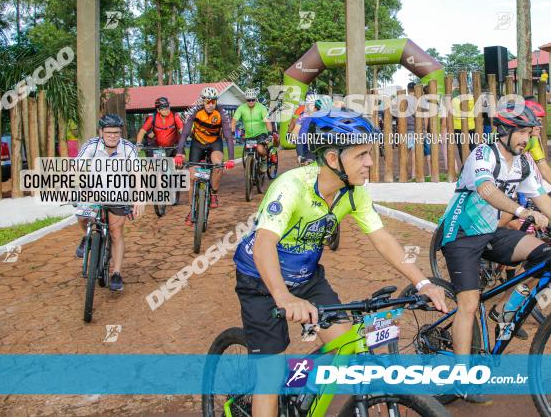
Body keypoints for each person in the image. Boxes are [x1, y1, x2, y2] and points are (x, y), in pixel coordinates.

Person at [232, 109, 448, 417]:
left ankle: (299, 392)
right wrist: (283, 296)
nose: (370, 163)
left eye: (369, 154)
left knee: (346, 345)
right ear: (333, 159)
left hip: (306, 278)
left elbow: (382, 237)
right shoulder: (292, 185)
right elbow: (264, 244)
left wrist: (422, 282)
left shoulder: (354, 192)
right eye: (361, 155)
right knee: (269, 374)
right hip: (261, 280)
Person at [438, 104, 551, 403]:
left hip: (492, 232)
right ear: (506, 131)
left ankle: (505, 310)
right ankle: (462, 380)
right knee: (469, 304)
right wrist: (522, 211)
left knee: (547, 257)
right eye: (522, 132)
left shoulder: (522, 163)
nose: (527, 139)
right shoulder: (483, 155)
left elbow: (544, 202)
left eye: (529, 133)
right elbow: (486, 190)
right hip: (460, 235)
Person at [74, 114, 145, 292]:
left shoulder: (128, 148)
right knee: (82, 215)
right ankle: (86, 236)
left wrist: (139, 197)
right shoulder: (91, 145)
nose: (112, 136)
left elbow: (137, 174)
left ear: (121, 133)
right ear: (101, 132)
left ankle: (117, 273)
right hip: (94, 191)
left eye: (116, 132)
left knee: (116, 232)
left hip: (119, 194)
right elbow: (76, 168)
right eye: (108, 132)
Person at [174, 87, 235, 218]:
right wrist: (179, 153)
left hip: (214, 143)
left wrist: (231, 158)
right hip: (198, 144)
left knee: (218, 165)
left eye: (213, 102)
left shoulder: (221, 112)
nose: (211, 105)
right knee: (192, 177)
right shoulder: (195, 111)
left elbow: (228, 136)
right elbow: (184, 134)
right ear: (202, 101)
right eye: (208, 102)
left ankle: (213, 193)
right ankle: (192, 210)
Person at [232, 89, 273, 165]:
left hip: (261, 133)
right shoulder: (241, 108)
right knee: (249, 152)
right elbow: (234, 121)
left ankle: (264, 159)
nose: (251, 102)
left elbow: (267, 121)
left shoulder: (261, 107)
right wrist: (232, 134)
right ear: (246, 100)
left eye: (253, 100)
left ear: (255, 99)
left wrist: (270, 133)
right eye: (249, 100)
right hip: (249, 135)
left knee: (260, 149)